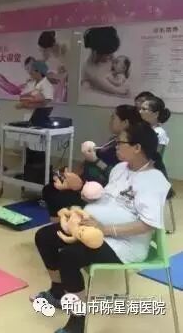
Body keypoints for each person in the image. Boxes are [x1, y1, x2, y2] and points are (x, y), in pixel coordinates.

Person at [33, 122, 170, 333]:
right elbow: (104, 199)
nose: (115, 146)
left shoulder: (154, 180)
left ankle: (77, 322)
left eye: (120, 142)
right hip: (92, 230)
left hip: (124, 244)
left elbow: (147, 224)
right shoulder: (120, 169)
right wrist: (78, 189)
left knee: (69, 257)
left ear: (137, 147)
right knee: (44, 237)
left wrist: (105, 230)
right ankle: (58, 292)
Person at [41, 105, 142, 220]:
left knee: (57, 196)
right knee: (50, 188)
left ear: (125, 122)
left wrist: (95, 160)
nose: (110, 121)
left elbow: (115, 175)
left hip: (97, 190)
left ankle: (64, 221)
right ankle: (60, 219)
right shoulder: (113, 141)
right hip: (85, 182)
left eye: (113, 117)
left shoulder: (127, 150)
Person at [81, 26, 128, 96]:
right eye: (108, 55)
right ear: (96, 53)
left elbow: (116, 63)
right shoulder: (90, 68)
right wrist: (117, 90)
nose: (111, 56)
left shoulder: (109, 56)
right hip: (96, 83)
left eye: (111, 53)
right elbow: (101, 82)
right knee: (86, 84)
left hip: (110, 78)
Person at [38, 31, 67, 102]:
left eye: (44, 50)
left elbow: (68, 73)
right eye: (42, 50)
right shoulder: (48, 57)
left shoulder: (63, 50)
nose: (43, 52)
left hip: (62, 90)